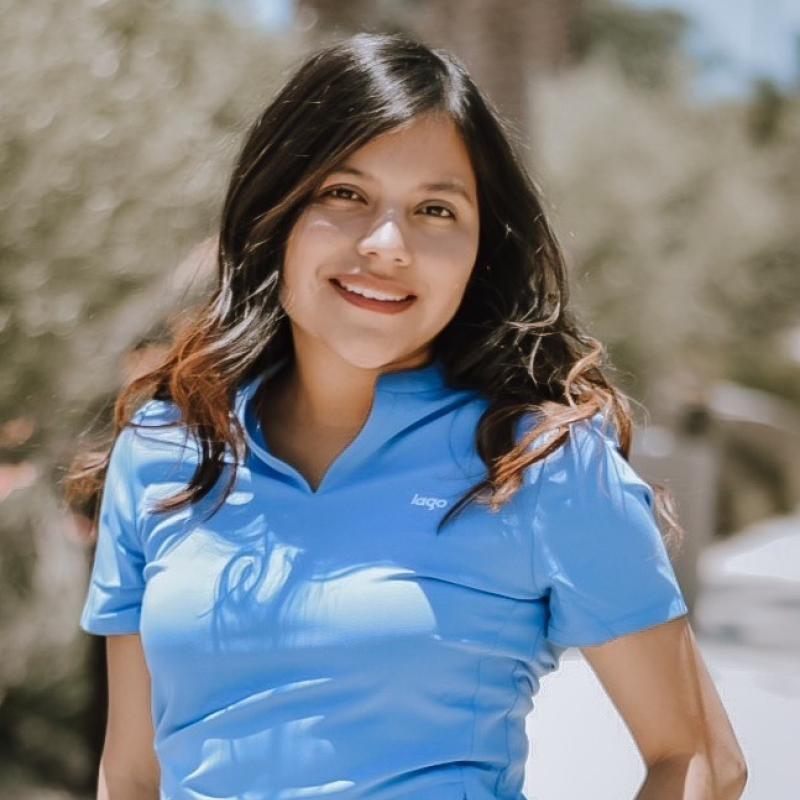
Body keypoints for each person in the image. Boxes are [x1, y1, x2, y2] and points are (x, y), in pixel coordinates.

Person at [66, 31, 747, 800]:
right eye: (345, 194)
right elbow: (130, 775)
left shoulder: (541, 463)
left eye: (434, 209)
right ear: (277, 211)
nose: (387, 244)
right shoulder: (164, 451)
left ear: (480, 250)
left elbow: (697, 759)